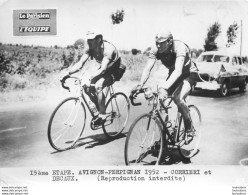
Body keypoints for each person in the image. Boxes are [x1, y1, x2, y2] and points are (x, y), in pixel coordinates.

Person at [132, 30, 198, 136]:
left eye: (162, 43)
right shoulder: (155, 49)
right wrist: (141, 84)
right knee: (161, 101)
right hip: (174, 74)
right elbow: (148, 68)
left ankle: (188, 125)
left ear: (170, 41)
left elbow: (178, 71)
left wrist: (165, 87)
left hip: (189, 73)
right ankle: (167, 134)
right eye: (157, 43)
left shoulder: (179, 47)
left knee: (178, 98)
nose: (158, 46)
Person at [61, 30, 126, 126]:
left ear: (99, 39)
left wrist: (90, 77)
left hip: (117, 69)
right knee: (87, 87)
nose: (89, 42)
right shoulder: (90, 48)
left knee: (98, 86)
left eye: (91, 40)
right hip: (105, 67)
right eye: (88, 40)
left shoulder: (109, 49)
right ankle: (98, 112)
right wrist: (67, 73)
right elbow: (80, 64)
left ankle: (103, 115)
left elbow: (103, 69)